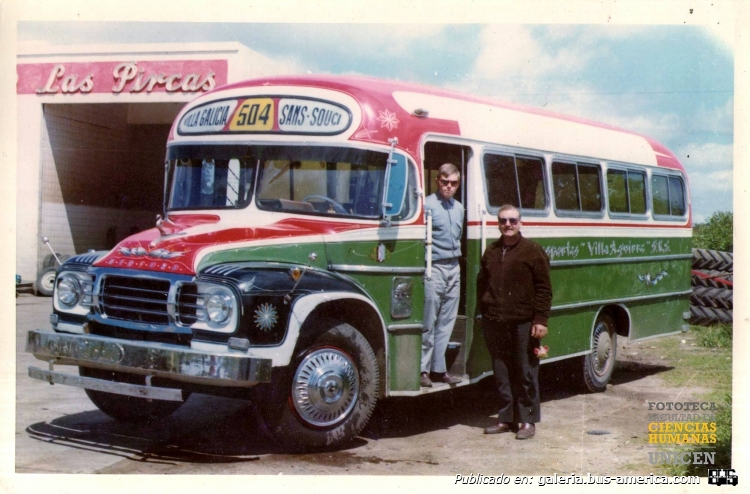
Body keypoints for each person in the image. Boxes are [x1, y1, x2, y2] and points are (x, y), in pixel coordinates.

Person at [477, 204, 552, 439]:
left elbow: (544, 288)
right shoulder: (490, 251)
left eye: (512, 220)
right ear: (498, 223)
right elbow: (482, 284)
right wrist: (485, 309)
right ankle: (506, 419)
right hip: (495, 321)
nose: (507, 225)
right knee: (501, 372)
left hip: (523, 322)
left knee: (526, 371)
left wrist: (540, 319)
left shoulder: (532, 251)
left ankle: (527, 421)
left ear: (520, 223)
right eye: (503, 221)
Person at [421, 163, 464, 388]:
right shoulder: (426, 205)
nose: (449, 187)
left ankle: (440, 369)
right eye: (445, 182)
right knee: (429, 319)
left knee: (447, 320)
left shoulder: (459, 208)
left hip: (453, 267)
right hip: (434, 266)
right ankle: (423, 370)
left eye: (453, 183)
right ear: (438, 181)